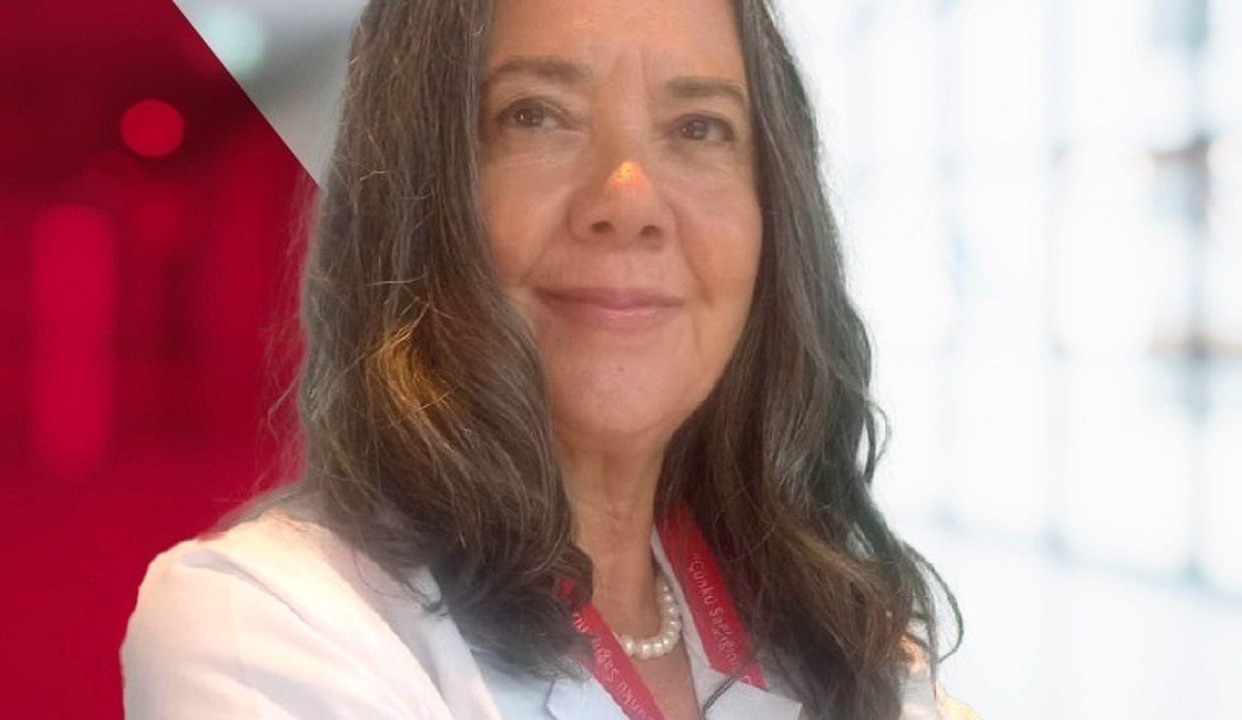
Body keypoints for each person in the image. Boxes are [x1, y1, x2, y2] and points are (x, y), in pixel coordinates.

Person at [121, 0, 979, 718]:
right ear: (419, 196)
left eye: (699, 127)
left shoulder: (830, 627)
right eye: (536, 115)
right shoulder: (265, 619)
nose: (629, 199)